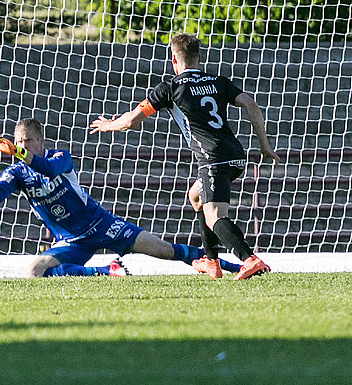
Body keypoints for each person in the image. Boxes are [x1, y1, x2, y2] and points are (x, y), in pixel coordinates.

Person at [89, 33, 279, 280]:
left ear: (173, 60)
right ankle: (211, 261)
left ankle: (249, 259)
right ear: (199, 57)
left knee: (215, 217)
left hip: (213, 159)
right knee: (196, 197)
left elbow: (131, 121)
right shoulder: (219, 81)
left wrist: (108, 125)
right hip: (235, 155)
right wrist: (264, 146)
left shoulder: (170, 88)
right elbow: (251, 105)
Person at [0, 119, 242, 278]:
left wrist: (20, 153)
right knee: (35, 271)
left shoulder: (59, 158)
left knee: (162, 249)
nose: (21, 146)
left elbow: (47, 170)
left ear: (41, 140)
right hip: (70, 241)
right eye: (17, 142)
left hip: (101, 224)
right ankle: (107, 271)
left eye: (27, 141)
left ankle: (230, 265)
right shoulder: (16, 172)